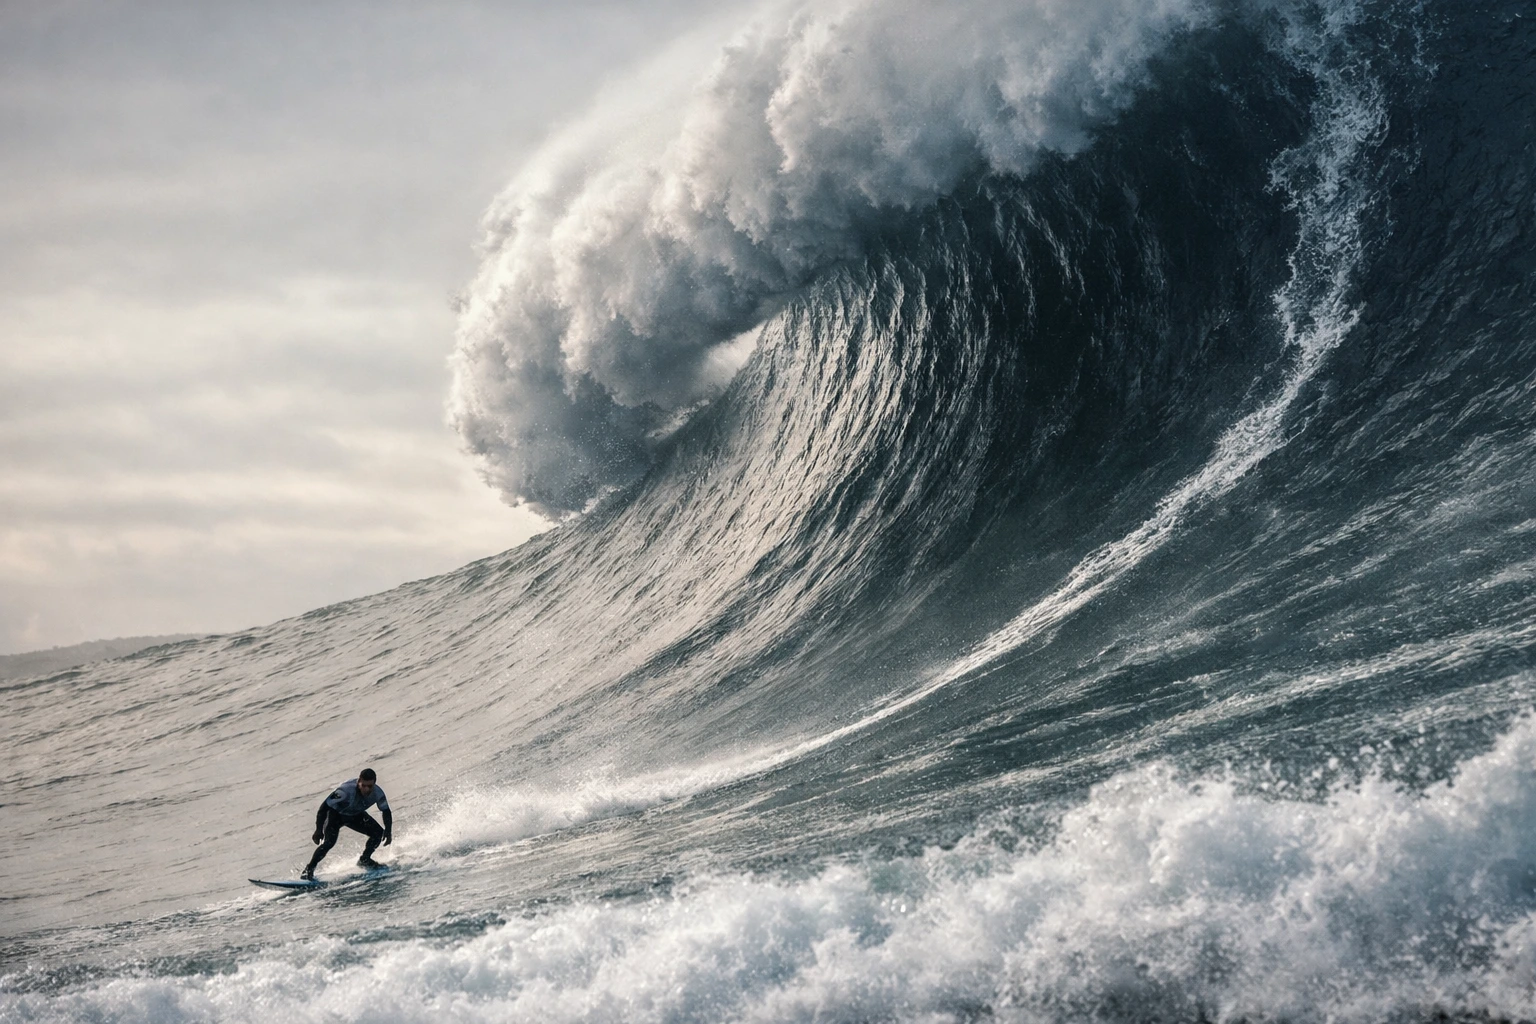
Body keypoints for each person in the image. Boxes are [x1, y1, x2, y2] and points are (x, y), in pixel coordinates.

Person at [301, 767, 393, 879]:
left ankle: (365, 860)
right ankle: (309, 870)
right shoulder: (344, 791)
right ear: (359, 781)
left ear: (374, 783)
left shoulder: (378, 793)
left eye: (370, 786)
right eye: (363, 785)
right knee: (329, 842)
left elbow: (386, 811)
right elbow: (324, 808)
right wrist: (318, 829)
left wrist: (388, 831)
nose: (366, 789)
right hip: (335, 815)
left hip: (354, 815)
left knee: (378, 833)